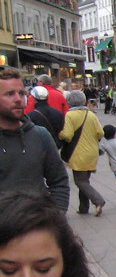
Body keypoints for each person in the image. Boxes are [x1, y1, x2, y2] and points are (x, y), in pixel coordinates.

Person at [0, 68, 69, 210]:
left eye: (21, 93)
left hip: (37, 224)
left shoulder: (40, 135)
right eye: (9, 94)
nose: (18, 99)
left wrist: (56, 218)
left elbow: (59, 181)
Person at [59, 90, 106, 217]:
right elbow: (100, 133)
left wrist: (59, 133)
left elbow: (67, 135)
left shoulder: (70, 115)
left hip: (78, 153)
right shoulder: (90, 114)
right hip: (92, 152)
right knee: (85, 180)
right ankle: (83, 207)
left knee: (80, 181)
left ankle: (98, 200)